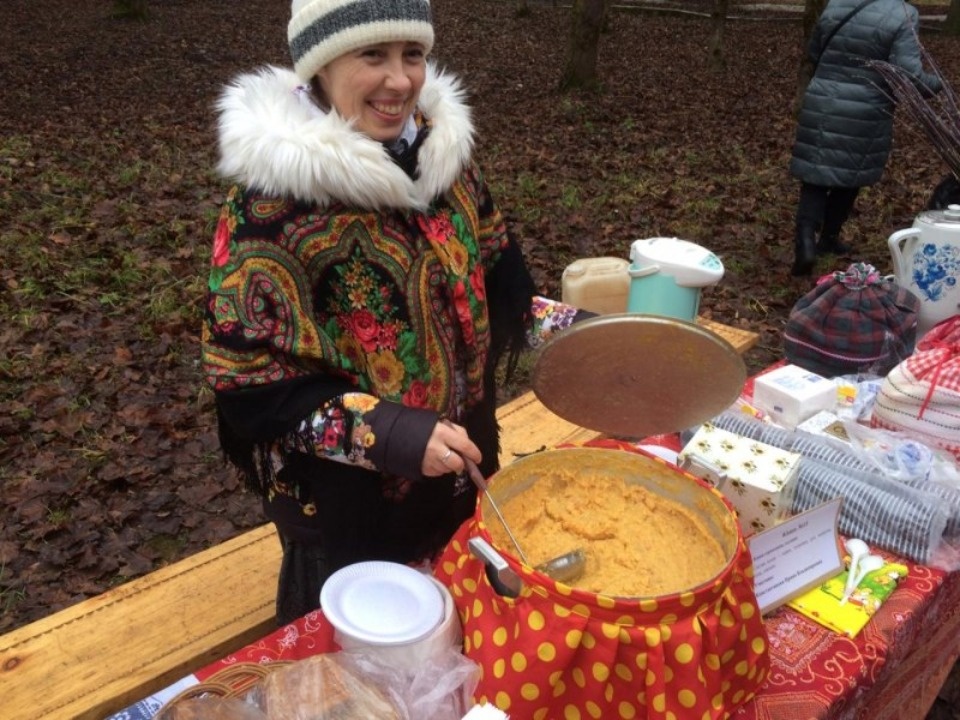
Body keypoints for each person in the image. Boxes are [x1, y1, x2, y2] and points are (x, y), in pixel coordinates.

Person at [201, 0, 588, 624]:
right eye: (372, 55)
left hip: (463, 482)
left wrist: (590, 337)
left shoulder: (445, 163)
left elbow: (502, 295)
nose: (401, 80)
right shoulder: (271, 207)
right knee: (361, 672)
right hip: (345, 522)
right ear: (321, 65)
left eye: (413, 54)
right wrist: (391, 434)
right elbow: (250, 386)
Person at [788, 0, 942, 276]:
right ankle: (829, 237)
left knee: (815, 176)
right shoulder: (902, 14)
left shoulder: (836, 4)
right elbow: (908, 74)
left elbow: (814, 51)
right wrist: (936, 84)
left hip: (822, 100)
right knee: (851, 174)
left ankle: (805, 242)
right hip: (866, 108)